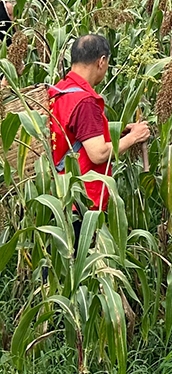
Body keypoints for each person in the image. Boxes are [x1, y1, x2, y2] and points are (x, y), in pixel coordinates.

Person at [49, 34, 150, 243]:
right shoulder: (84, 102)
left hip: (56, 196)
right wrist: (135, 138)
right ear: (101, 61)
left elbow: (75, 136)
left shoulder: (58, 91)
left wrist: (122, 133)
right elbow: (98, 153)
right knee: (77, 266)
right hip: (80, 202)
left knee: (54, 269)